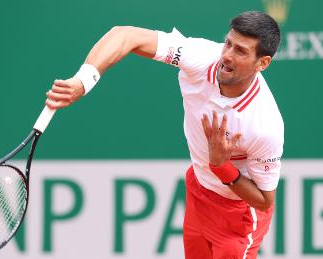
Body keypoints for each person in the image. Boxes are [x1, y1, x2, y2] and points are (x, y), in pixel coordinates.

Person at [45, 11, 284, 259]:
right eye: (228, 43)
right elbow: (125, 36)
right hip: (199, 193)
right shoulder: (201, 58)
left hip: (239, 217)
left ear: (262, 63)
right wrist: (83, 81)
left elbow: (264, 200)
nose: (226, 55)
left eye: (241, 51)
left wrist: (221, 166)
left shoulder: (264, 125)